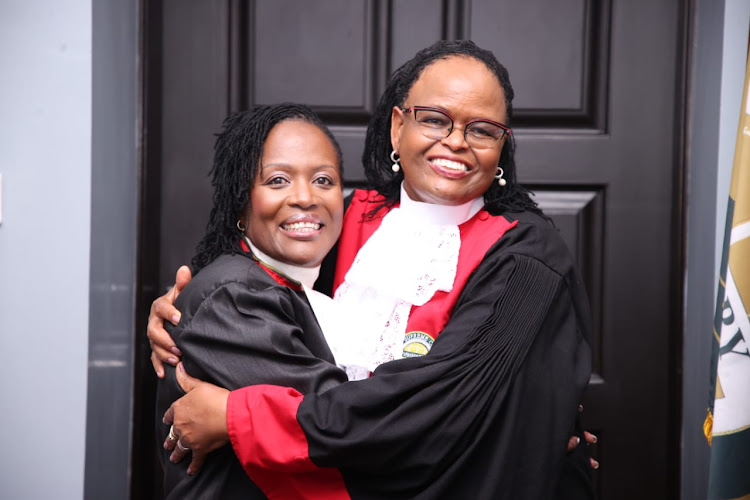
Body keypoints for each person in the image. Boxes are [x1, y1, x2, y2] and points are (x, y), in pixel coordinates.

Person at [150, 40, 595, 499]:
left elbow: (447, 410)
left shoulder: (525, 255)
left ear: (501, 146)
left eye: (482, 130)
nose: (457, 141)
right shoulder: (348, 220)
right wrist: (182, 310)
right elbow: (258, 292)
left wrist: (237, 416)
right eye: (435, 120)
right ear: (398, 126)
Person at [155, 103, 352, 498]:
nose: (305, 197)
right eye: (278, 180)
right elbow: (341, 424)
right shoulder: (236, 298)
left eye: (324, 180)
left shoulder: (292, 283)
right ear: (241, 201)